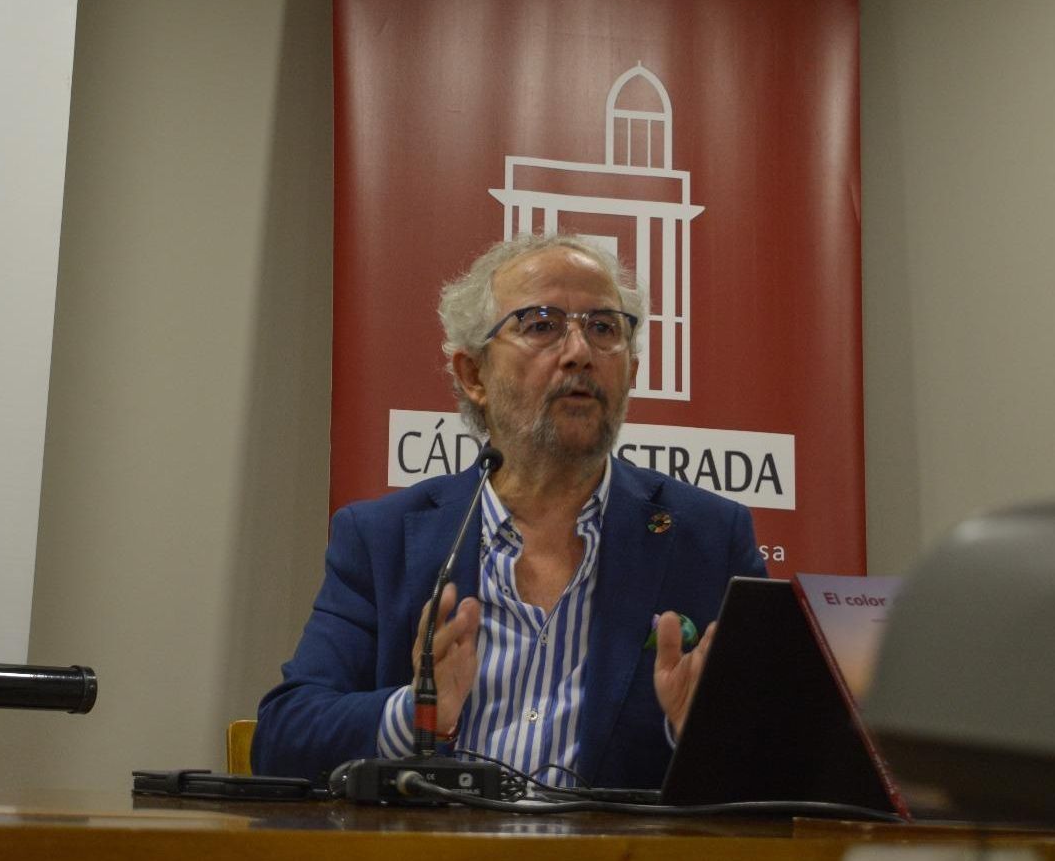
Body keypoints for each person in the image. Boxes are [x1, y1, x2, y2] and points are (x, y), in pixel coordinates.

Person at [251, 232, 763, 787]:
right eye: (541, 325)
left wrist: (703, 734)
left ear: (631, 373)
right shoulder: (382, 540)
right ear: (474, 376)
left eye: (603, 328)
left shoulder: (709, 539)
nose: (579, 353)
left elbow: (785, 761)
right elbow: (282, 738)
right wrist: (416, 713)